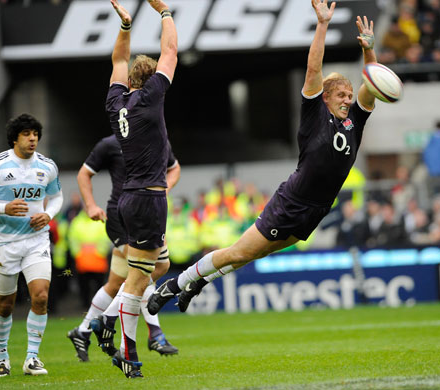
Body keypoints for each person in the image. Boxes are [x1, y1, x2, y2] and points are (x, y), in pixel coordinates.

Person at [148, 0, 378, 317]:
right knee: (239, 252)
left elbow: (373, 87)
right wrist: (322, 25)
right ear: (325, 97)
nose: (347, 100)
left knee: (249, 255)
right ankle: (175, 285)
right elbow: (314, 70)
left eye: (349, 97)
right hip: (294, 201)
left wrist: (369, 51)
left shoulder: (355, 123)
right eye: (341, 95)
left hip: (317, 209)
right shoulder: (314, 116)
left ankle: (196, 285)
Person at [104, 0, 177, 378]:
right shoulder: (151, 99)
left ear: (129, 80)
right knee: (137, 280)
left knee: (158, 265)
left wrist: (127, 26)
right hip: (148, 197)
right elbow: (171, 51)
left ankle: (110, 325)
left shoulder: (117, 102)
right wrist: (164, 12)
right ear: (150, 83)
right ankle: (126, 351)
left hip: (131, 197)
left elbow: (118, 60)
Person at [66, 135, 180, 362]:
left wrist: (163, 190)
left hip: (147, 215)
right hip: (121, 217)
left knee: (117, 283)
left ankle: (83, 330)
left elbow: (174, 168)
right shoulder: (110, 144)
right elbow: (84, 173)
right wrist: (89, 205)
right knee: (147, 270)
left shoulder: (158, 139)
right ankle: (153, 334)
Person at [0, 114, 63, 377]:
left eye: (35, 134)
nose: (32, 138)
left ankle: (32, 358)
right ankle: (1, 356)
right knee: (5, 304)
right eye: (27, 134)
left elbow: (56, 197)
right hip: (4, 242)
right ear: (14, 137)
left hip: (36, 240)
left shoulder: (47, 166)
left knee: (41, 296)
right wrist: (4, 208)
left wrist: (49, 215)